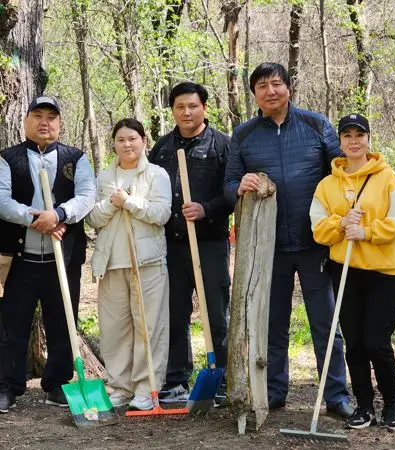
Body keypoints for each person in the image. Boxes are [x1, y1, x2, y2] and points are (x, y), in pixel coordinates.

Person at [223, 62, 353, 417]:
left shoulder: (316, 125)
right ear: (254, 95)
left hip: (316, 244)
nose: (270, 91)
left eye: (276, 83)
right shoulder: (245, 134)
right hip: (268, 247)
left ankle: (337, 394)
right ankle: (275, 390)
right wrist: (240, 186)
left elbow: (342, 172)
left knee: (326, 322)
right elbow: (228, 185)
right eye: (262, 86)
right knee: (273, 323)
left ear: (289, 87)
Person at [0, 95, 96, 413]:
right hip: (19, 260)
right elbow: (2, 201)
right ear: (26, 121)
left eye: (51, 116)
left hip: (63, 259)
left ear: (60, 123)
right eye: (37, 115)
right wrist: (38, 220)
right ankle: (8, 387)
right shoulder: (7, 158)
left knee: (63, 324)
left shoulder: (75, 158)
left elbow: (87, 196)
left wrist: (60, 214)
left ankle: (59, 385)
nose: (44, 122)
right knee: (13, 325)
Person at [310, 113, 395, 431]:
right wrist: (341, 223)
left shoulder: (387, 178)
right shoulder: (327, 185)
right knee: (354, 342)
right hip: (346, 270)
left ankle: (393, 403)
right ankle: (364, 406)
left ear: (368, 139)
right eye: (347, 135)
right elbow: (317, 227)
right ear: (339, 141)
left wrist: (364, 232)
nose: (354, 141)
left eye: (360, 135)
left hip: (384, 270)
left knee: (377, 342)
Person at [148, 81, 233, 405]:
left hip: (209, 243)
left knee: (215, 313)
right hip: (171, 244)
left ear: (204, 108)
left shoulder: (222, 145)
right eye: (180, 106)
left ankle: (221, 375)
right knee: (174, 312)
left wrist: (206, 209)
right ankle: (175, 379)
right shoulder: (163, 147)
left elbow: (232, 193)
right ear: (172, 110)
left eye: (193, 106)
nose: (187, 112)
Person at [86, 118, 171, 411]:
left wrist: (130, 202)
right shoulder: (105, 177)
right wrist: (112, 203)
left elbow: (161, 214)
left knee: (149, 327)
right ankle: (120, 386)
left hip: (147, 262)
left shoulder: (156, 175)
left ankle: (147, 389)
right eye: (121, 139)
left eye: (132, 138)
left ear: (143, 140)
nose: (127, 144)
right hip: (111, 262)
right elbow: (93, 218)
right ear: (113, 144)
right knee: (114, 329)